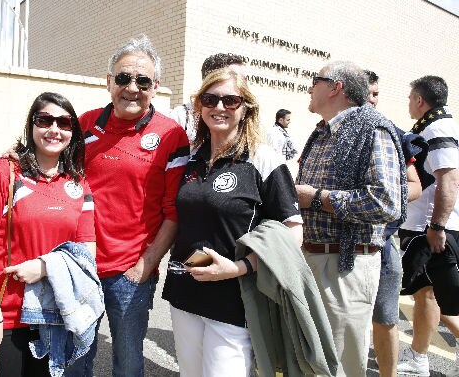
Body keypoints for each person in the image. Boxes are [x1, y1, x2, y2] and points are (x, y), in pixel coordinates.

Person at [162, 67, 303, 376]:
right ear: (199, 106)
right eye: (210, 99)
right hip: (185, 290)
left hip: (234, 297)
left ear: (246, 107)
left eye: (231, 100)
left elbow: (293, 232)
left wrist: (242, 267)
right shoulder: (191, 157)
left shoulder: (264, 160)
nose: (219, 107)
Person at [77, 35, 190, 376]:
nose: (132, 87)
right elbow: (48, 166)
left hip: (131, 273)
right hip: (80, 267)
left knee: (127, 364)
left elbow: (174, 212)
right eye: (123, 78)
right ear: (108, 81)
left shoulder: (171, 135)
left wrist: (146, 264)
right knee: (74, 360)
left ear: (155, 86)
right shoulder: (84, 125)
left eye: (142, 80)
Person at [0, 92, 96, 376]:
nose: (54, 129)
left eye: (64, 123)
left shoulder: (78, 183)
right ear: (31, 125)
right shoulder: (3, 172)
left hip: (56, 317)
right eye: (44, 120)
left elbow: (88, 253)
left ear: (73, 132)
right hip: (5, 318)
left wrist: (46, 267)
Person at [295, 61, 407, 377]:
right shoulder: (322, 132)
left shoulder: (372, 128)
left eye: (314, 80)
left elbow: (385, 202)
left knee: (340, 365)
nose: (309, 86)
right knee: (315, 361)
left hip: (345, 267)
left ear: (336, 87)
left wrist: (316, 198)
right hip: (315, 260)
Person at [396, 76, 459, 377]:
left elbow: (448, 179)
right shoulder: (434, 128)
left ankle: (418, 358)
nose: (409, 103)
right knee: (426, 293)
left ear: (420, 100)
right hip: (424, 225)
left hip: (430, 227)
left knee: (438, 296)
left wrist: (437, 225)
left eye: (410, 98)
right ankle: (418, 357)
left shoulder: (438, 129)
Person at [365, 70, 423, 377]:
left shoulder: (394, 134)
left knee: (385, 318)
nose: (372, 100)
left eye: (376, 94)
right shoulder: (328, 133)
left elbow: (415, 186)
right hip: (337, 247)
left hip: (383, 243)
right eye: (367, 93)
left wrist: (381, 197)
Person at [170, 53, 247, 144]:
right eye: (233, 76)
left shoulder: (259, 153)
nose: (219, 107)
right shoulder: (181, 118)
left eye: (244, 79)